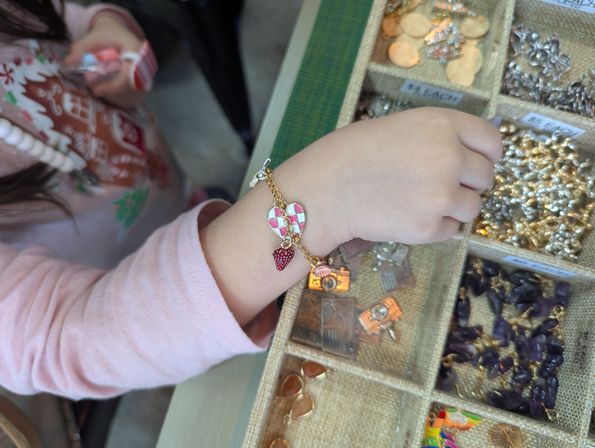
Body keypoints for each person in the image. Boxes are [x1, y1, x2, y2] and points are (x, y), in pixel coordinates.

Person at [0, 0, 501, 403]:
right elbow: (66, 340)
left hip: (171, 202)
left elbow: (60, 16)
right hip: (142, 302)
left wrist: (103, 25)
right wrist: (324, 195)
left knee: (209, 211)